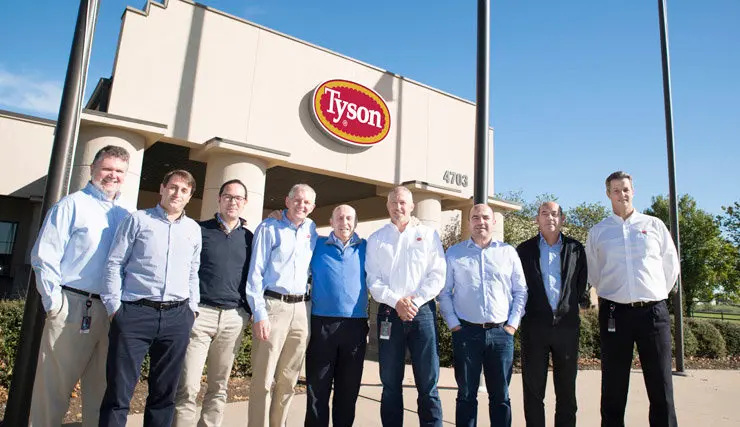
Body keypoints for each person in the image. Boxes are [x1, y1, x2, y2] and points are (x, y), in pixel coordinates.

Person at [28, 145, 131, 427]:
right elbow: (43, 256)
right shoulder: (71, 205)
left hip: (111, 313)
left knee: (101, 395)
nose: (113, 175)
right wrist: (55, 304)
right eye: (107, 168)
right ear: (93, 169)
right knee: (53, 392)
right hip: (72, 307)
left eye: (119, 171)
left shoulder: (125, 214)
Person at [99, 169, 202, 427]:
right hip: (135, 314)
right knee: (118, 392)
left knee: (164, 394)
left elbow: (193, 271)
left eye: (184, 190)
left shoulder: (193, 229)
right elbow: (114, 263)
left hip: (177, 317)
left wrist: (192, 310)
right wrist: (115, 309)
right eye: (173, 187)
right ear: (162, 188)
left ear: (190, 196)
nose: (177, 193)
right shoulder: (138, 220)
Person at [586, 171, 680, 427]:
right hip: (615, 314)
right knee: (614, 386)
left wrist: (655, 293)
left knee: (661, 384)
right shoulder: (598, 232)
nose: (621, 194)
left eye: (625, 189)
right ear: (608, 194)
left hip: (653, 314)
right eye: (616, 190)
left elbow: (671, 266)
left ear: (633, 191)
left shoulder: (654, 225)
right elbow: (594, 272)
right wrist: (612, 294)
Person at [439, 203, 527, 427]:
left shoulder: (508, 252)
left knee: (501, 397)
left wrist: (512, 326)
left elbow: (520, 292)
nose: (481, 222)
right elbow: (444, 292)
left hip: (501, 334)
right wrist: (454, 325)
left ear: (493, 221)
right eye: (476, 217)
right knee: (466, 396)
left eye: (485, 217)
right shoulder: (455, 253)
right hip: (466, 333)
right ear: (469, 222)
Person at [173, 179, 253, 427]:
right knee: (188, 385)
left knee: (219, 387)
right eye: (228, 196)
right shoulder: (199, 230)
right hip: (200, 315)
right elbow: (184, 269)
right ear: (219, 199)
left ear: (245, 203)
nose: (233, 202)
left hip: (233, 318)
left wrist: (247, 312)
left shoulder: (250, 238)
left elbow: (254, 276)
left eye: (238, 198)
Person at [365, 186, 446, 427]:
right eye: (393, 203)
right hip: (389, 314)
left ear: (412, 206)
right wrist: (396, 302)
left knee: (428, 383)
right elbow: (373, 280)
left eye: (403, 203)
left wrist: (414, 301)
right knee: (390, 383)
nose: (398, 207)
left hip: (422, 314)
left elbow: (437, 274)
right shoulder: (377, 238)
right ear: (387, 206)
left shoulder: (428, 235)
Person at [246, 183, 318, 427]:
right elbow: (255, 274)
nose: (302, 205)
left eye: (307, 202)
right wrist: (259, 314)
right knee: (263, 380)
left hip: (301, 311)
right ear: (287, 201)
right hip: (273, 307)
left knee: (289, 380)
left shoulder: (312, 229)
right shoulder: (269, 227)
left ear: (313, 207)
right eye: (297, 200)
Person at [516, 201, 588, 427]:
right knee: (533, 390)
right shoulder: (523, 250)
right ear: (537, 219)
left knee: (567, 390)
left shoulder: (576, 249)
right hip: (534, 328)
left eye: (555, 214)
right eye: (544, 213)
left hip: (566, 327)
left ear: (562, 219)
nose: (550, 218)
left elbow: (581, 285)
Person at [304, 204, 368, 427]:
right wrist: (276, 215)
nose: (345, 222)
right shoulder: (316, 244)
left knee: (348, 390)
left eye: (349, 218)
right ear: (331, 221)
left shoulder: (367, 248)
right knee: (317, 389)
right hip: (322, 324)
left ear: (355, 222)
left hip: (355, 326)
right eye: (339, 218)